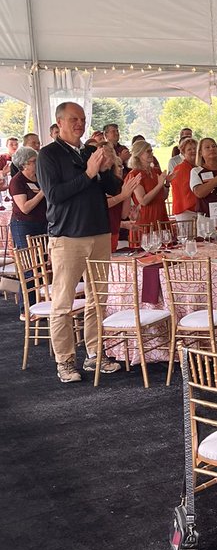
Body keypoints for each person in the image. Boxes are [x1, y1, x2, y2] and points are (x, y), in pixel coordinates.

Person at [36, 102, 124, 382]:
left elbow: (112, 188)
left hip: (98, 232)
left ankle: (95, 353)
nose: (80, 123)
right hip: (67, 237)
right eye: (74, 119)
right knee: (62, 302)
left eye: (83, 119)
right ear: (59, 123)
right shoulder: (47, 155)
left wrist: (104, 168)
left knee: (98, 299)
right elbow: (55, 194)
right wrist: (87, 173)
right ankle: (64, 360)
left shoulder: (90, 152)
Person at [8, 147, 47, 319]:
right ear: (24, 164)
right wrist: (42, 194)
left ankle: (39, 305)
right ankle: (26, 309)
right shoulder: (17, 182)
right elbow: (25, 208)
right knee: (29, 268)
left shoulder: (39, 178)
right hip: (23, 225)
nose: (37, 164)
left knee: (42, 266)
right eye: (33, 161)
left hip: (42, 225)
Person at [125, 140, 170, 246]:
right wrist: (159, 185)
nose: (151, 154)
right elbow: (143, 200)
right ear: (139, 154)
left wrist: (167, 184)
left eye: (151, 151)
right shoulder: (135, 174)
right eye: (148, 151)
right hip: (146, 219)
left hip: (160, 216)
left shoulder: (156, 171)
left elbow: (162, 197)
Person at [169, 137, 199, 225]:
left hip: (196, 209)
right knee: (187, 238)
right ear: (183, 152)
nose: (193, 151)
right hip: (185, 210)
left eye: (195, 148)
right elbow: (184, 192)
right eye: (189, 149)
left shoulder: (198, 166)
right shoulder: (180, 168)